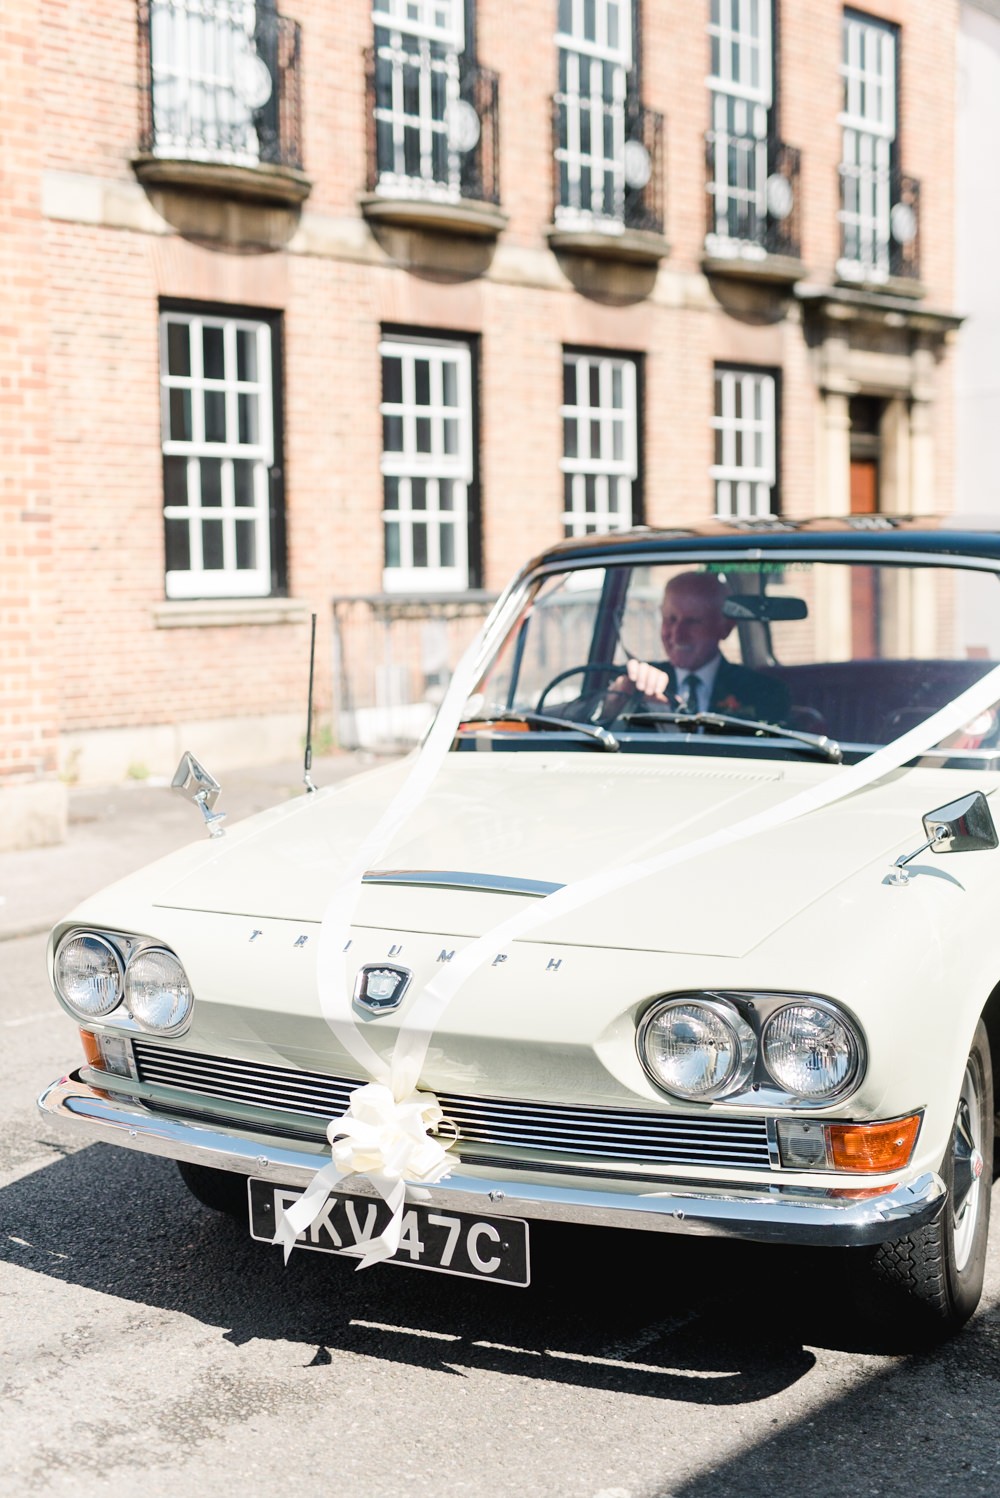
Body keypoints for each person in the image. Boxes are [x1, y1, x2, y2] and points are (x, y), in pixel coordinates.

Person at [610, 570, 791, 724]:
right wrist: (615, 700)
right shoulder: (639, 683)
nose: (677, 635)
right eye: (670, 619)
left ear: (725, 628)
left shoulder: (764, 691)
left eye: (692, 622)